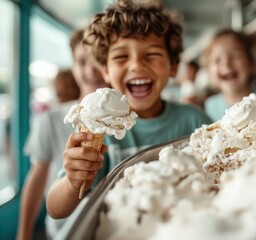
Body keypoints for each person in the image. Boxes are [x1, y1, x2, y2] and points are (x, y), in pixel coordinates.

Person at [46, 0, 212, 219]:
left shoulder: (195, 120)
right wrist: (72, 181)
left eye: (152, 54)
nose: (136, 65)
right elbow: (56, 209)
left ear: (173, 66)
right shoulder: (99, 131)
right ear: (105, 70)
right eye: (121, 56)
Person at [17, 29, 108, 240]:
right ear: (73, 66)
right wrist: (23, 234)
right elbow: (37, 177)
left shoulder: (124, 122)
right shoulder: (49, 119)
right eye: (82, 61)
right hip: (62, 230)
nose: (91, 70)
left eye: (97, 60)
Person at [202, 29, 256, 121]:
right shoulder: (210, 106)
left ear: (252, 64)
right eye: (217, 60)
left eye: (235, 56)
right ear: (208, 71)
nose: (226, 63)